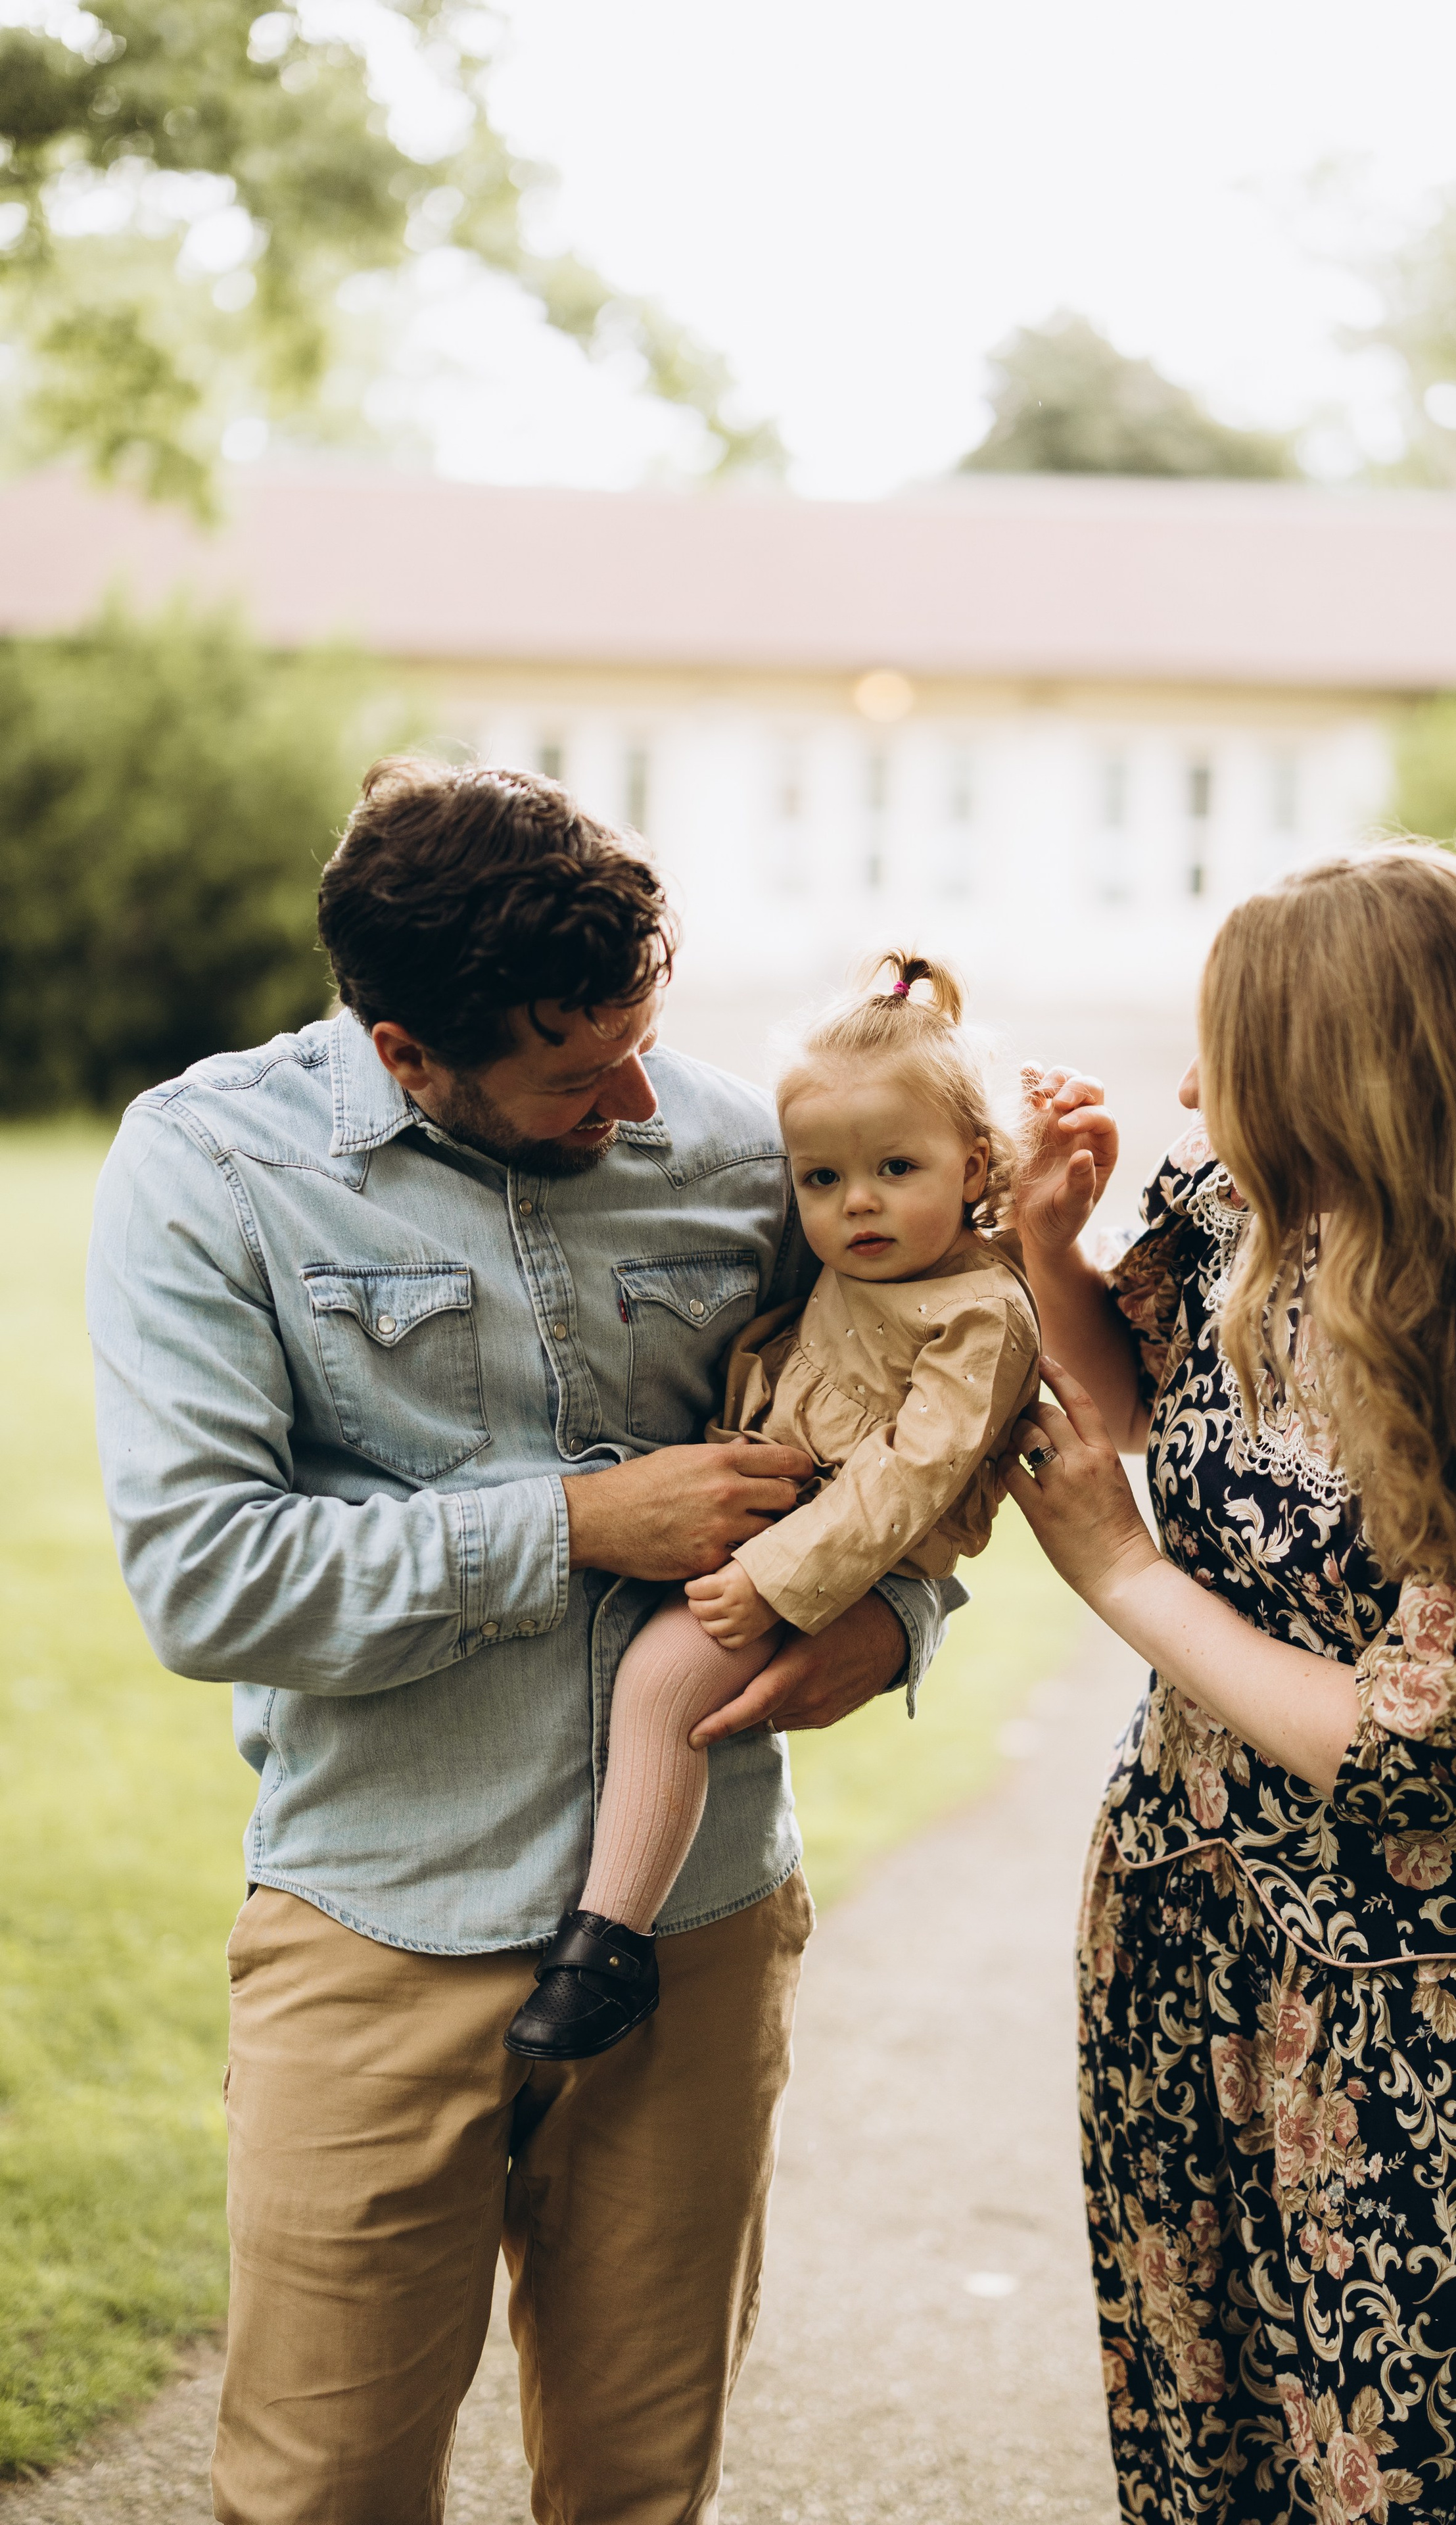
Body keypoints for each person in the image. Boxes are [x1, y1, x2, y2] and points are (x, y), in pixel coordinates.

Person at [85, 756, 960, 2525]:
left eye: (643, 1030)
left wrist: (899, 1619)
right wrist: (576, 1524)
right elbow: (206, 1579)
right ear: (409, 1049)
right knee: (319, 2494)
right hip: (376, 1931)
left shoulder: (737, 1146)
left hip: (699, 1934)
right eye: (577, 1072)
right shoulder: (209, 1171)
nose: (639, 1094)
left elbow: (906, 1411)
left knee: (642, 2490)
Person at [1006, 844, 1456, 2521]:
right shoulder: (1247, 1217)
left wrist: (1120, 1574)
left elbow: (1422, 1759)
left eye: (1222, 1054)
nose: (1182, 1087)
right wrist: (1042, 1239)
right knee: (1212, 2418)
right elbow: (1135, 1405)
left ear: (1349, 1078)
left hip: (1425, 1995)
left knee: (1432, 2451)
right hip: (1189, 1919)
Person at [507, 951, 1039, 2061]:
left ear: (974, 1163)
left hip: (856, 1550)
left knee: (662, 1678)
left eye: (897, 1167)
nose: (858, 1205)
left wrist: (775, 1579)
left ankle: (609, 1944)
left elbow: (911, 1477)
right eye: (822, 1181)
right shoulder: (868, 1260)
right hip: (790, 1512)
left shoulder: (979, 1310)